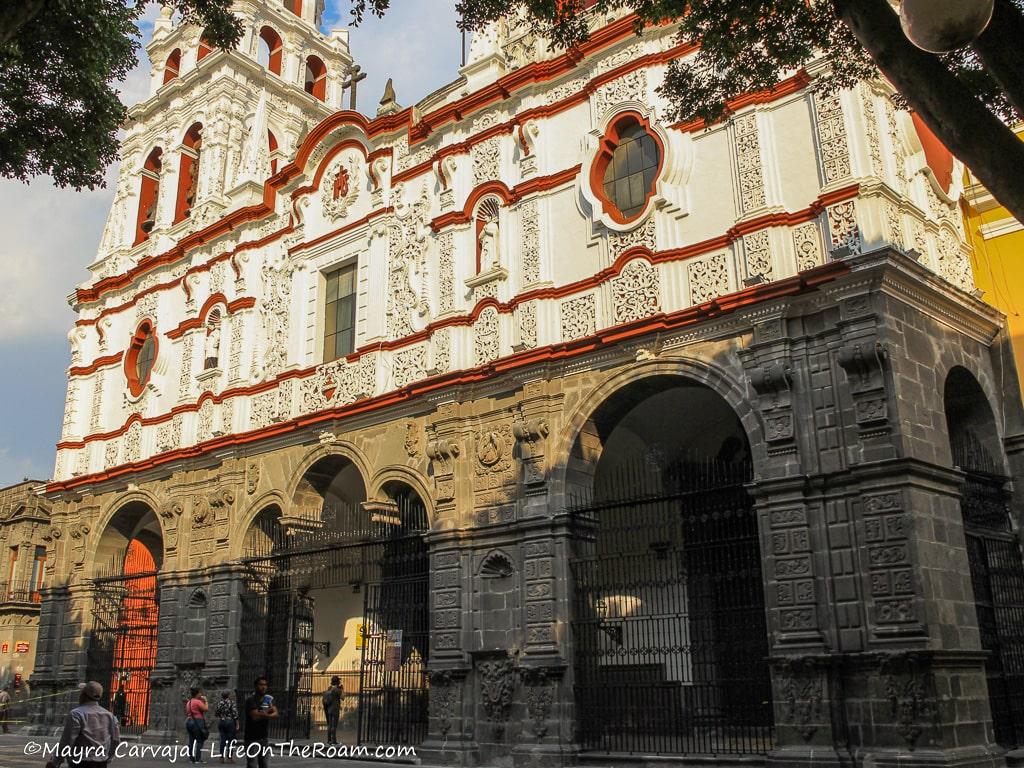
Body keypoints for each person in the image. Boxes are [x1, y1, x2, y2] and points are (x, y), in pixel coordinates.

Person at [45, 681, 119, 768]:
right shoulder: (110, 716)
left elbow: (67, 741)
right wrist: (108, 758)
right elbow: (115, 741)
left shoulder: (76, 714)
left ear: (84, 695)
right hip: (101, 763)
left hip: (80, 763)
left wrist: (55, 761)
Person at [243, 677, 277, 768]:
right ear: (255, 686)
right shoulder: (251, 700)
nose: (263, 687)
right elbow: (255, 717)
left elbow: (276, 713)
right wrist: (269, 710)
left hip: (264, 738)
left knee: (264, 764)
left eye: (265, 685)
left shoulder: (268, 699)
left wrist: (262, 713)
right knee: (252, 765)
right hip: (251, 739)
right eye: (261, 685)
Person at [185, 686, 209, 764]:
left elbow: (187, 712)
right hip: (197, 721)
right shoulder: (198, 702)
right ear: (197, 694)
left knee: (191, 740)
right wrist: (206, 701)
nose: (201, 694)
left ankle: (191, 758)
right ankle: (198, 758)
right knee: (200, 740)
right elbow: (205, 709)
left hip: (189, 721)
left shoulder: (189, 702)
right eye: (200, 693)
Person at [215, 691, 239, 763]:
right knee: (230, 741)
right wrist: (237, 724)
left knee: (222, 740)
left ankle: (221, 757)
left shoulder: (220, 703)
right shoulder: (232, 703)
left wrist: (222, 717)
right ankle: (229, 757)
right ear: (228, 695)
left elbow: (216, 713)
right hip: (230, 722)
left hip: (222, 722)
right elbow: (235, 714)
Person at [321, 676, 342, 745]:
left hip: (329, 709)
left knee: (329, 725)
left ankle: (329, 740)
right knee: (334, 726)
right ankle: (334, 741)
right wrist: (342, 689)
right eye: (339, 681)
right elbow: (343, 697)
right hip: (335, 709)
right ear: (337, 682)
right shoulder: (337, 690)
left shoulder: (329, 689)